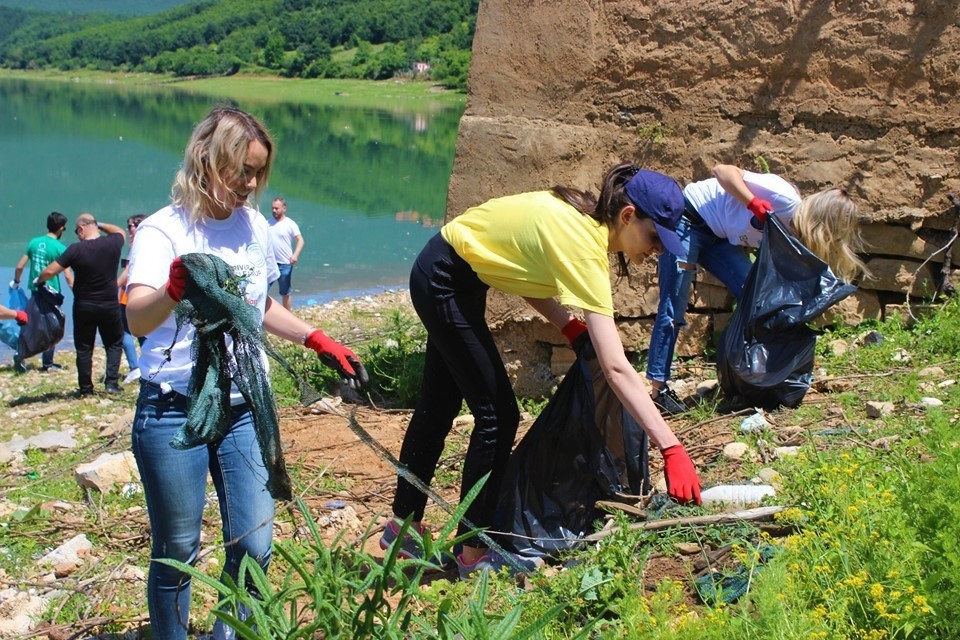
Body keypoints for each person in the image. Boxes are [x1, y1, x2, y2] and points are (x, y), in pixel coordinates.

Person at [381, 165, 702, 580]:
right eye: (655, 237)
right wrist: (671, 447)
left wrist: (566, 325)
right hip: (444, 278)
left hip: (457, 274)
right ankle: (473, 552)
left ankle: (402, 528)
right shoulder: (584, 243)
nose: (657, 251)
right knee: (497, 415)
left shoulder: (582, 224)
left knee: (440, 406)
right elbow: (617, 368)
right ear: (627, 217)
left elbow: (520, 266)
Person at [124, 105, 366, 640]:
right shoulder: (164, 231)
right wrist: (173, 289)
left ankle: (228, 633)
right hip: (173, 410)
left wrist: (316, 338)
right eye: (243, 171)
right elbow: (137, 316)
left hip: (242, 409)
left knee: (256, 542)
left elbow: (255, 306)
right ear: (208, 160)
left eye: (259, 173)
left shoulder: (253, 225)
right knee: (178, 548)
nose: (251, 184)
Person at [646, 164, 869, 414]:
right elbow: (721, 171)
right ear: (821, 222)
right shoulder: (783, 198)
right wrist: (752, 202)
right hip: (687, 219)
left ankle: (754, 378)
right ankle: (659, 391)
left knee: (757, 300)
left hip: (719, 238)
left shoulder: (796, 233)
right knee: (673, 307)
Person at [37, 214, 126, 396]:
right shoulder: (113, 243)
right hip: (109, 304)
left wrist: (39, 280)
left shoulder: (76, 250)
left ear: (81, 229)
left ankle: (86, 389)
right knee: (113, 343)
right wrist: (99, 223)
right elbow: (120, 231)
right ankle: (111, 384)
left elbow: (51, 270)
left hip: (84, 305)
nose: (77, 235)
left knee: (84, 347)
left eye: (77, 232)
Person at [13, 211, 73, 372]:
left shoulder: (34, 242)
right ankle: (47, 363)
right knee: (52, 326)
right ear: (61, 228)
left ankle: (20, 355)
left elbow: (19, 266)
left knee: (30, 324)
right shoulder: (60, 248)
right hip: (50, 293)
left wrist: (16, 282)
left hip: (35, 291)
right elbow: (68, 276)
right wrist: (77, 292)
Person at [117, 214, 147, 384]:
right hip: (138, 295)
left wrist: (112, 287)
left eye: (130, 226)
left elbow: (127, 272)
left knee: (124, 331)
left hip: (130, 296)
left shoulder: (137, 245)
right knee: (144, 332)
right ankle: (149, 363)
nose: (128, 230)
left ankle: (135, 367)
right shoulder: (150, 244)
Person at [267, 197, 304, 310]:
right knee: (262, 290)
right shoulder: (267, 223)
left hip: (285, 264)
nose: (274, 210)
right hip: (269, 263)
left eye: (277, 208)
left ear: (284, 208)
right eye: (273, 208)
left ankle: (287, 314)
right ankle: (262, 315)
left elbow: (300, 240)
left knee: (285, 292)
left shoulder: (290, 224)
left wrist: (295, 255)